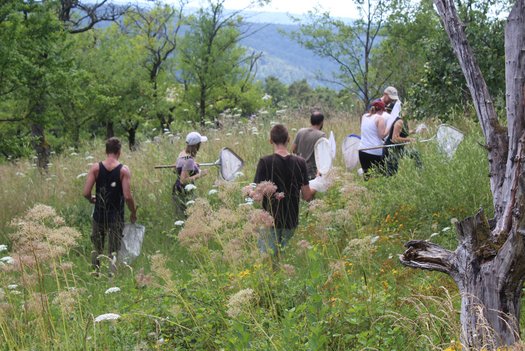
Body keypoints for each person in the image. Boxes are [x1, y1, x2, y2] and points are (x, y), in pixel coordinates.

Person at [253, 124, 316, 256]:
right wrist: (317, 185)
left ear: (270, 140)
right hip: (291, 220)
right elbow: (307, 196)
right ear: (288, 139)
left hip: (269, 219)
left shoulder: (265, 162)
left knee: (268, 258)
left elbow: (257, 196)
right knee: (284, 257)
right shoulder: (300, 162)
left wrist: (248, 191)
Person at [83, 137, 137, 275]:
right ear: (119, 151)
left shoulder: (95, 168)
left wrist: (91, 199)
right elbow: (127, 196)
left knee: (97, 248)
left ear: (106, 151)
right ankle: (111, 278)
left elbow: (86, 192)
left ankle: (95, 274)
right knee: (113, 250)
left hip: (99, 215)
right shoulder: (123, 170)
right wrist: (133, 212)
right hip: (116, 217)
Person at [172, 131, 209, 218]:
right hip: (184, 191)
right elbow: (183, 180)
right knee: (189, 217)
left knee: (186, 216)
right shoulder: (189, 160)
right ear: (197, 145)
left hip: (177, 189)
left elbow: (175, 170)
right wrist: (200, 174)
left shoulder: (182, 153)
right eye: (200, 144)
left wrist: (194, 165)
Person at [291, 110, 326, 180]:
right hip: (312, 173)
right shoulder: (321, 135)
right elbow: (323, 157)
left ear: (311, 121)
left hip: (298, 169)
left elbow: (293, 149)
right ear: (321, 122)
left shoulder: (300, 131)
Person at [358, 100, 387, 178]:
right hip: (375, 150)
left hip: (362, 150)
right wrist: (389, 128)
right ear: (381, 110)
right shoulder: (380, 119)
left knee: (367, 176)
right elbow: (382, 135)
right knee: (378, 176)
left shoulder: (364, 116)